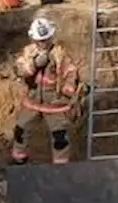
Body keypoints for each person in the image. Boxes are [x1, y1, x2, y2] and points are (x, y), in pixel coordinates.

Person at [11, 16, 81, 164]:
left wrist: (70, 89)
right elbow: (19, 69)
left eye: (46, 39)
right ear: (34, 39)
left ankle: (60, 165)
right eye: (40, 40)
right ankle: (19, 159)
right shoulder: (29, 52)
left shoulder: (60, 54)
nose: (43, 43)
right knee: (21, 129)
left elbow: (71, 73)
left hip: (55, 102)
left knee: (59, 136)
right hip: (33, 99)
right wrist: (34, 64)